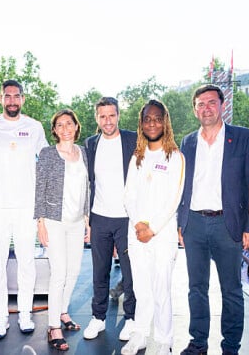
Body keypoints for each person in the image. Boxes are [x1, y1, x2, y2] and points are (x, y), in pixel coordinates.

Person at [177, 84, 249, 355]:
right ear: (195, 109)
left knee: (232, 290)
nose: (206, 108)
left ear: (222, 105)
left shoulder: (245, 138)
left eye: (211, 102)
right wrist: (181, 222)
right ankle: (198, 342)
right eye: (201, 104)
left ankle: (231, 347)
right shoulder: (188, 141)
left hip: (229, 224)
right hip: (194, 224)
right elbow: (182, 184)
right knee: (196, 288)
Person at [0, 79, 48, 339]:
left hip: (26, 208)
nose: (12, 101)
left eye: (17, 96)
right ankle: (1, 318)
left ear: (23, 99)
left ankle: (26, 315)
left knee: (26, 263)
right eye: (8, 96)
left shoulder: (35, 127)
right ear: (0, 99)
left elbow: (49, 163)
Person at [121, 100, 185, 355]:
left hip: (162, 234)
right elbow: (128, 195)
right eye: (147, 119)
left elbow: (174, 198)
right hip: (136, 233)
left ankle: (164, 340)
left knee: (161, 289)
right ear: (141, 123)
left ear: (165, 121)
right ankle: (140, 335)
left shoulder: (175, 157)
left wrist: (152, 228)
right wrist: (138, 224)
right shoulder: (137, 156)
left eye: (157, 118)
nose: (152, 123)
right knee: (141, 288)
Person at [35, 109, 90, 351]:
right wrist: (40, 222)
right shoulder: (47, 154)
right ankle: (53, 326)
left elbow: (87, 187)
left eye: (69, 123)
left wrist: (87, 217)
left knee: (74, 271)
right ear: (54, 130)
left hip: (77, 222)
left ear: (76, 127)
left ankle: (63, 311)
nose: (65, 128)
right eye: (60, 124)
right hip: (54, 221)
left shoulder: (84, 153)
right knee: (59, 273)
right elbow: (39, 187)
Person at [83, 97, 137, 341]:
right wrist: (87, 217)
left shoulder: (133, 140)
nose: (107, 121)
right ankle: (98, 318)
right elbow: (88, 182)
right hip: (100, 217)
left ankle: (131, 318)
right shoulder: (91, 144)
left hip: (127, 217)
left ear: (118, 115)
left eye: (111, 115)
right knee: (100, 271)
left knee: (130, 271)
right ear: (97, 118)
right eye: (102, 116)